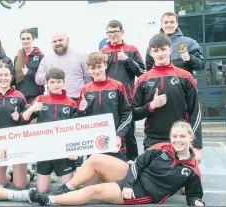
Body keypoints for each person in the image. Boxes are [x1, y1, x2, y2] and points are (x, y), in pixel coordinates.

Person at [28, 121, 205, 206]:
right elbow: (138, 164)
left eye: (182, 136)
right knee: (96, 158)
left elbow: (194, 194)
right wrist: (128, 182)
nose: (177, 140)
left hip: (144, 191)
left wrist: (197, 202)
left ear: (191, 137)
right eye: (175, 136)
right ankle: (66, 189)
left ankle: (50, 200)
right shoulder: (162, 147)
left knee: (92, 191)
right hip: (133, 175)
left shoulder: (192, 169)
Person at [131, 34, 203, 164]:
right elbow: (133, 114)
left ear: (170, 49)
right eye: (156, 50)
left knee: (181, 182)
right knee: (153, 182)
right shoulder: (143, 80)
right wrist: (151, 106)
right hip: (153, 141)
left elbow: (195, 112)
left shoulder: (185, 76)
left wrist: (197, 145)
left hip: (180, 140)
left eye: (163, 49)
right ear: (151, 53)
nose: (160, 54)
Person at [35, 31, 90, 168]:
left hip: (76, 99)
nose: (58, 43)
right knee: (57, 134)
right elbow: (38, 79)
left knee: (76, 133)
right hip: (54, 101)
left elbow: (88, 78)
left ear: (67, 40)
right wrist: (50, 75)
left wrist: (86, 98)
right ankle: (55, 164)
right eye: (54, 41)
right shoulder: (46, 59)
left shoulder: (80, 57)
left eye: (60, 40)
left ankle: (76, 164)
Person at [21, 67, 79, 193]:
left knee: (67, 190)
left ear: (64, 82)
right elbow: (24, 118)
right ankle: (32, 174)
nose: (56, 85)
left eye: (59, 82)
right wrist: (32, 109)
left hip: (64, 151)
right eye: (52, 82)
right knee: (42, 190)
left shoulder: (71, 103)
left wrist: (73, 149)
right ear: (47, 83)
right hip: (45, 149)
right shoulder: (40, 99)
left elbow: (76, 130)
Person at [0, 62, 34, 189]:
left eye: (6, 75)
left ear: (11, 77)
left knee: (20, 185)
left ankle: (28, 174)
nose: (3, 78)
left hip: (16, 142)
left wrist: (18, 117)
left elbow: (26, 120)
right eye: (0, 75)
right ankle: (9, 175)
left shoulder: (19, 96)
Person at [100, 20, 146, 162]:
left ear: (122, 32)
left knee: (128, 133)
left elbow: (143, 73)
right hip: (107, 100)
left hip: (127, 99)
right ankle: (110, 163)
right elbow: (97, 74)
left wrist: (127, 60)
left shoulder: (131, 50)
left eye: (115, 31)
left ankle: (132, 163)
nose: (112, 34)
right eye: (109, 32)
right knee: (108, 132)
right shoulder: (103, 52)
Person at [77, 52, 132, 166]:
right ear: (88, 69)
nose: (96, 71)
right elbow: (81, 120)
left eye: (99, 66)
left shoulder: (117, 86)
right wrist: (81, 111)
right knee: (94, 182)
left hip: (115, 144)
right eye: (93, 68)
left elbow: (127, 113)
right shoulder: (85, 90)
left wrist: (119, 135)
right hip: (94, 144)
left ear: (105, 65)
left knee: (116, 182)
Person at [14, 28, 45, 104]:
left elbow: (44, 78)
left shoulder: (40, 56)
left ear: (33, 39)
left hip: (35, 96)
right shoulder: (17, 57)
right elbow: (14, 77)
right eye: (23, 39)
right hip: (20, 96)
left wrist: (29, 73)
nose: (25, 41)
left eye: (28, 38)